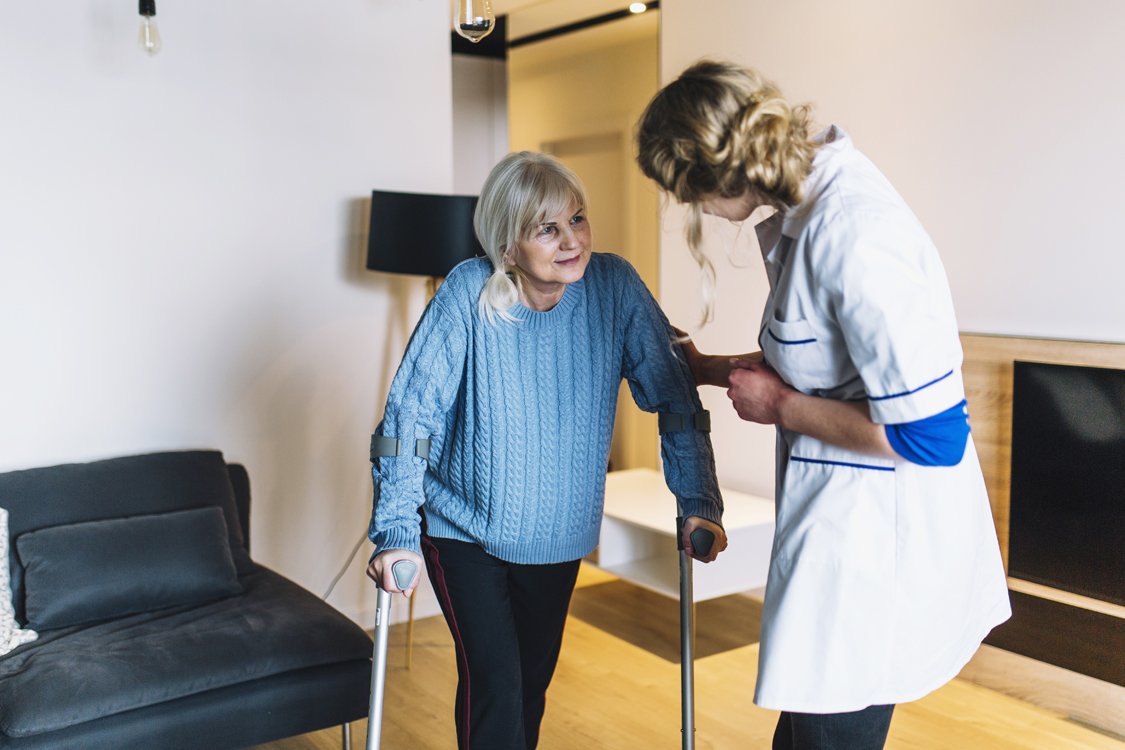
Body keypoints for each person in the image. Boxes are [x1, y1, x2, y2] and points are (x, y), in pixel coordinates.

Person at [635, 61, 1011, 750]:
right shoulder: (806, 210)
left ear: (710, 176)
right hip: (844, 536)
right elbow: (824, 367)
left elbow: (934, 437)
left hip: (877, 550)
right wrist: (707, 367)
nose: (693, 213)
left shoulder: (855, 233)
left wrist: (779, 406)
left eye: (685, 196)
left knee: (824, 738)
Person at [366, 151, 727, 750]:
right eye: (547, 228)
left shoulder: (615, 288)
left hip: (559, 532)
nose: (571, 240)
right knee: (497, 685)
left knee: (529, 686)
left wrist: (699, 499)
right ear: (507, 247)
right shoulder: (467, 293)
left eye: (577, 220)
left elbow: (674, 395)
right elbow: (410, 417)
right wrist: (397, 529)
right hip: (463, 531)